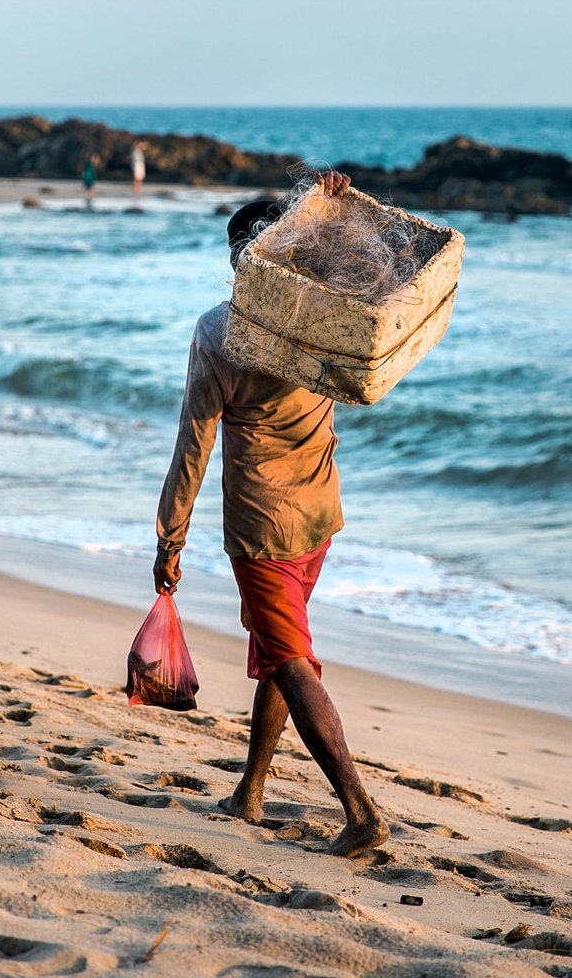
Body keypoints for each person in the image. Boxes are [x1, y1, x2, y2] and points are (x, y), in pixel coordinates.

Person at [152, 170, 388, 858]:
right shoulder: (321, 322)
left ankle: (361, 811)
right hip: (320, 515)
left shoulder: (220, 332)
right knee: (280, 651)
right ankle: (250, 790)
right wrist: (330, 209)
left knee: (289, 660)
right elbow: (364, 276)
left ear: (238, 260)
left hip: (262, 529)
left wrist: (170, 538)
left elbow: (192, 445)